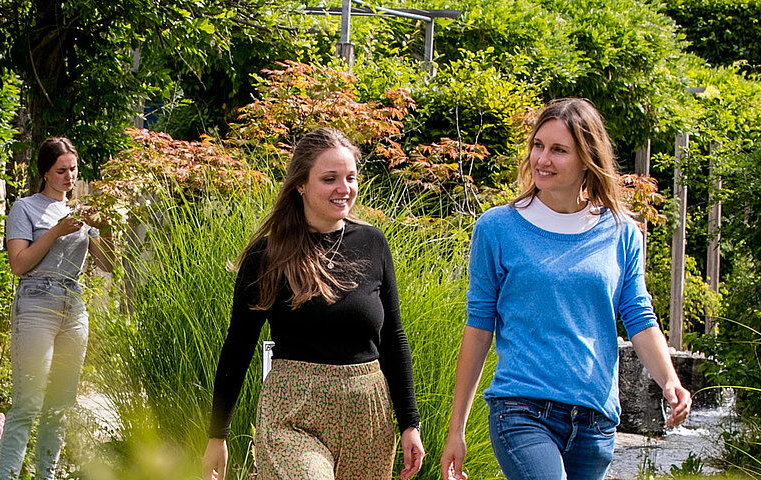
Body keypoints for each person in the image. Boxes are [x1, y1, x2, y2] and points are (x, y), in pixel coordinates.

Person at [438, 98, 693, 480]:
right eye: (538, 146)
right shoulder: (498, 228)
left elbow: (639, 317)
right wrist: (456, 429)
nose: (542, 159)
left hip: (595, 420)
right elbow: (478, 328)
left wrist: (670, 380)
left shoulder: (622, 232)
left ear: (587, 159)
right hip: (521, 410)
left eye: (559, 150)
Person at [203, 128, 425, 480]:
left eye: (350, 177)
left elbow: (394, 338)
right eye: (330, 178)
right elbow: (238, 346)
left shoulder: (373, 243)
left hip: (367, 414)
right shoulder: (268, 255)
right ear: (301, 185)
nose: (344, 188)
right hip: (294, 410)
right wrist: (218, 434)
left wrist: (409, 423)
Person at [0, 137, 102, 480]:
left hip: (73, 305)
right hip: (36, 303)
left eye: (73, 169)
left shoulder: (82, 212)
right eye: (61, 170)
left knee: (59, 405)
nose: (69, 177)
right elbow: (19, 263)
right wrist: (58, 230)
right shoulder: (25, 208)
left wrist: (104, 227)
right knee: (28, 402)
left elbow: (109, 264)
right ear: (45, 172)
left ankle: (47, 475)